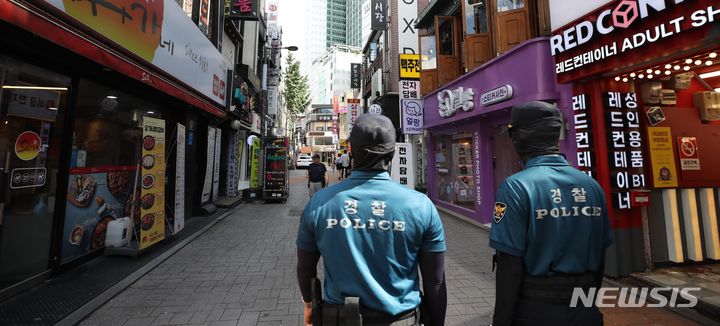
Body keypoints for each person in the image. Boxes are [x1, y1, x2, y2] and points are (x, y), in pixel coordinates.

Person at [296, 114, 447, 326]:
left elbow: (305, 268)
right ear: (392, 153)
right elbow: (435, 281)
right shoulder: (421, 205)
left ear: (351, 151)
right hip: (402, 320)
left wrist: (309, 304)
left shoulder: (320, 203)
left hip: (338, 319)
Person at [489, 101, 613, 326]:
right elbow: (601, 257)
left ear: (518, 139)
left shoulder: (516, 187)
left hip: (536, 311)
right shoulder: (591, 186)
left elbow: (510, 266)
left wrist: (501, 321)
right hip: (585, 310)